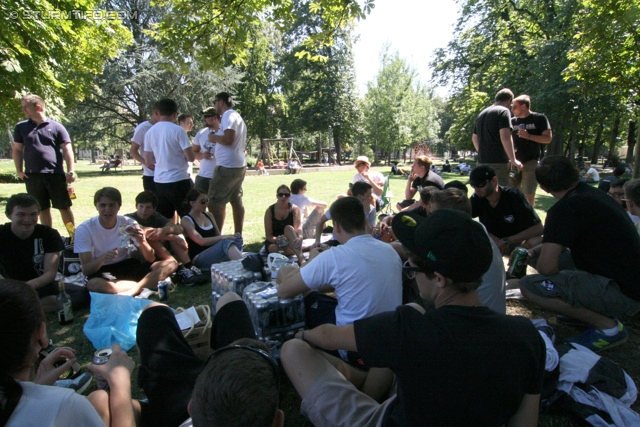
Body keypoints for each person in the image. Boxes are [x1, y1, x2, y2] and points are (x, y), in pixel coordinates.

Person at [280, 209, 544, 427]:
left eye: (413, 268)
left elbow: (327, 335)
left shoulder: (410, 328)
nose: (412, 275)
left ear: (439, 279)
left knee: (293, 351)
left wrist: (304, 335)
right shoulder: (526, 335)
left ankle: (359, 384)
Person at [519, 156, 640, 351]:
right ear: (575, 173)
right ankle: (585, 309)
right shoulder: (594, 196)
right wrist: (532, 251)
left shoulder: (564, 210)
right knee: (537, 260)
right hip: (628, 280)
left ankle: (608, 328)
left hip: (622, 292)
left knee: (529, 286)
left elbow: (547, 267)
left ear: (544, 188)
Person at [112, 292, 283, 427]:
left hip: (176, 410)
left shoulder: (188, 407)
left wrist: (119, 382)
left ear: (191, 406)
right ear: (278, 421)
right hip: (233, 400)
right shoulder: (263, 417)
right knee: (231, 301)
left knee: (154, 311)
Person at [0, 278, 135, 427]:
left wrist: (38, 384)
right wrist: (120, 384)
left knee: (100, 398)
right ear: (41, 333)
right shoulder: (65, 405)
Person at [75, 187, 178, 296]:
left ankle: (134, 289)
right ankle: (147, 284)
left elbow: (150, 258)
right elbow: (86, 270)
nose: (107, 210)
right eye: (103, 205)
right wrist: (103, 258)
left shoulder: (128, 223)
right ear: (96, 206)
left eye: (112, 205)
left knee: (172, 263)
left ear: (119, 206)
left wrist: (142, 241)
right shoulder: (85, 229)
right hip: (102, 270)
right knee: (94, 284)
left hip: (127, 265)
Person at [0, 193, 89, 312]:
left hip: (39, 284)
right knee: (62, 302)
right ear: (9, 215)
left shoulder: (48, 234)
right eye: (21, 214)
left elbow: (49, 273)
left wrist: (24, 288)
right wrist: (13, 290)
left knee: (82, 295)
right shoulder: (2, 234)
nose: (27, 220)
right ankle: (26, 304)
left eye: (33, 214)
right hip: (6, 287)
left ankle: (18, 306)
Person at [12, 94, 76, 227]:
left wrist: (70, 171)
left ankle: (72, 237)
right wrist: (19, 170)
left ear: (38, 107)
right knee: (41, 209)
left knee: (64, 207)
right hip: (33, 176)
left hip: (55, 175)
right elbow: (17, 149)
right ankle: (48, 237)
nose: (23, 110)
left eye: (26, 107)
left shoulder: (57, 127)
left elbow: (67, 149)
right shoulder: (21, 127)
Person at [125, 191, 205, 286]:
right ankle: (179, 269)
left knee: (173, 234)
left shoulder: (155, 216)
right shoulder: (129, 218)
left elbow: (179, 229)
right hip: (140, 254)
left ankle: (189, 266)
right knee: (153, 238)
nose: (143, 210)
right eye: (141, 206)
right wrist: (173, 237)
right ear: (136, 206)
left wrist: (166, 229)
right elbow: (145, 232)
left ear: (154, 209)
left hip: (156, 253)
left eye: (148, 207)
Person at [469, 165, 543, 256]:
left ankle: (517, 267)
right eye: (473, 185)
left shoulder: (513, 196)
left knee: (537, 241)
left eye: (481, 185)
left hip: (515, 242)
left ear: (494, 180)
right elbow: (466, 221)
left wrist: (506, 241)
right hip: (490, 241)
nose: (476, 190)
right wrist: (494, 239)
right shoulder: (476, 198)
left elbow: (538, 229)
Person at [143, 98, 196, 219]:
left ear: (158, 112)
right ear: (175, 114)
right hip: (179, 180)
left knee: (165, 218)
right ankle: (190, 238)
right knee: (188, 216)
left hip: (160, 181)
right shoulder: (178, 130)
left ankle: (168, 238)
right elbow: (191, 157)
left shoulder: (150, 132)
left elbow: (148, 160)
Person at [207, 92, 247, 235]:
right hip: (237, 165)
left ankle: (216, 238)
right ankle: (238, 235)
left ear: (222, 102)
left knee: (213, 202)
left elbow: (229, 139)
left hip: (227, 167)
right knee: (235, 200)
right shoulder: (236, 116)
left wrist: (213, 137)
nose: (214, 105)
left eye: (215, 101)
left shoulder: (228, 116)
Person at [181, 189, 243, 272]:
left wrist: (231, 238)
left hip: (215, 254)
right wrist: (224, 237)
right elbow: (201, 241)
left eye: (207, 200)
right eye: (202, 202)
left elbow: (217, 235)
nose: (206, 204)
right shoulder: (186, 220)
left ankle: (248, 266)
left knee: (241, 251)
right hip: (199, 258)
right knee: (226, 243)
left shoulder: (209, 215)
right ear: (192, 203)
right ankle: (247, 268)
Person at [472, 88, 523, 185]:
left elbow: (474, 138)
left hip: (482, 161)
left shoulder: (481, 114)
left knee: (485, 191)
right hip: (498, 163)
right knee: (500, 193)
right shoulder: (503, 111)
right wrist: (513, 159)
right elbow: (505, 136)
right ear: (508, 101)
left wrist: (483, 152)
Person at [510, 94, 553, 205]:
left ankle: (528, 219)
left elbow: (548, 139)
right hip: (513, 162)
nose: (512, 109)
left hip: (530, 161)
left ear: (523, 106)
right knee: (510, 192)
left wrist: (528, 136)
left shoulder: (539, 118)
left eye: (514, 107)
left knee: (528, 193)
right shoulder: (512, 121)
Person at [264, 184, 305, 261]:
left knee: (288, 228)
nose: (283, 197)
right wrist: (277, 240)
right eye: (281, 195)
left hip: (291, 239)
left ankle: (301, 259)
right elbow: (268, 235)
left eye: (286, 195)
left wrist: (300, 237)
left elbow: (298, 227)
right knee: (277, 250)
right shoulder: (270, 211)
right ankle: (299, 250)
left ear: (289, 196)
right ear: (277, 196)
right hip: (275, 242)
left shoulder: (294, 209)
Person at [129, 108, 159, 192]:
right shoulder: (143, 127)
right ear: (156, 113)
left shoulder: (167, 127)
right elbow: (133, 151)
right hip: (151, 175)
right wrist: (147, 163)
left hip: (167, 176)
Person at [193, 108, 221, 192]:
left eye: (206, 116)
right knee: (198, 202)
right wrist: (202, 155)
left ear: (215, 117)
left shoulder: (224, 133)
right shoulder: (201, 133)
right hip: (203, 176)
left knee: (218, 204)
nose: (203, 119)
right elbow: (193, 152)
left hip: (220, 176)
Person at [178, 114, 196, 184]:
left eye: (192, 123)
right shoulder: (180, 136)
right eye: (189, 123)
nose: (191, 125)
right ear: (181, 123)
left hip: (188, 170)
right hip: (183, 172)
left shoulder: (185, 136)